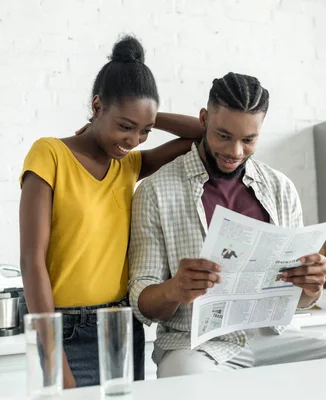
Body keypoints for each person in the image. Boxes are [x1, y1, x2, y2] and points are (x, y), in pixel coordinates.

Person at [128, 72, 326, 377]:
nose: (234, 152)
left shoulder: (280, 188)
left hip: (276, 338)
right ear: (203, 120)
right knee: (186, 384)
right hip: (196, 346)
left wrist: (311, 289)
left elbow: (299, 302)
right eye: (223, 135)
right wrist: (174, 290)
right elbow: (141, 297)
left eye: (248, 140)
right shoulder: (156, 191)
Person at [19, 35, 203, 388]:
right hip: (61, 330)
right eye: (125, 125)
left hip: (119, 326)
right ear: (97, 105)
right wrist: (55, 359)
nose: (134, 140)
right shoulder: (49, 155)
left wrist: (144, 113)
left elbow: (203, 134)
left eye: (144, 131)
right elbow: (32, 262)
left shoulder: (129, 165)